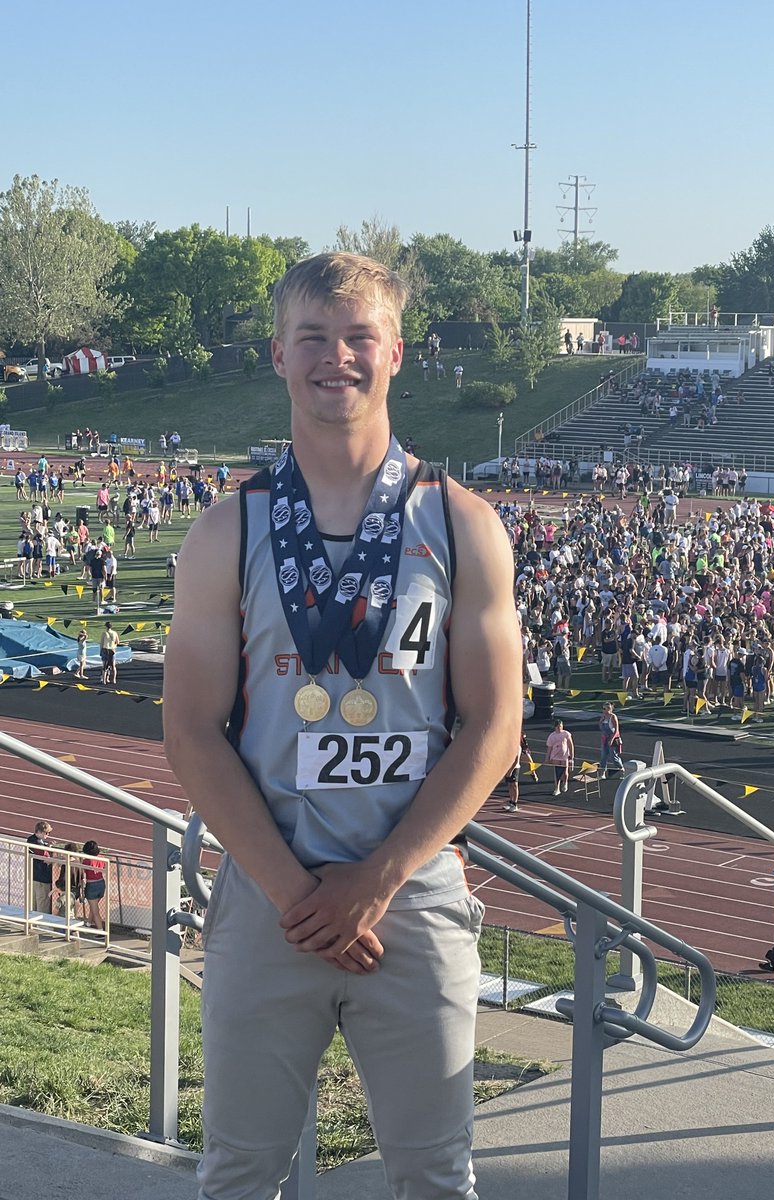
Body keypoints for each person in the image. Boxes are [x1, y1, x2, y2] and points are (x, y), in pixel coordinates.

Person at [163, 252, 521, 1200]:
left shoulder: (462, 524)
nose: (337, 358)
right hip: (266, 896)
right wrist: (297, 893)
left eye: (359, 337)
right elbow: (191, 731)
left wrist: (378, 878)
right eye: (313, 338)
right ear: (278, 354)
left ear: (396, 351)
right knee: (239, 1173)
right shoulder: (225, 532)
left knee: (437, 1177)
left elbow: (495, 726)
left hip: (414, 896)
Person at [26, 820, 54, 914]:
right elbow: (47, 860)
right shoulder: (39, 845)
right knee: (42, 905)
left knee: (33, 904)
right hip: (42, 878)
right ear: (40, 832)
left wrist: (47, 846)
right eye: (47, 833)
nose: (48, 835)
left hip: (33, 876)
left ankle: (31, 924)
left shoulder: (30, 839)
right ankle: (42, 925)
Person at [80, 840, 106, 929]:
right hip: (101, 883)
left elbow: (82, 872)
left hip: (91, 886)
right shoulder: (102, 857)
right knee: (93, 906)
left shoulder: (86, 861)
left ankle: (101, 931)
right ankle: (88, 923)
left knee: (95, 911)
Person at [545, 718, 574, 796]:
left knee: (565, 772)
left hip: (564, 756)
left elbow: (570, 745)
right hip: (555, 756)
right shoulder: (552, 736)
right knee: (557, 773)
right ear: (555, 727)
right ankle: (556, 788)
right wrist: (547, 758)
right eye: (558, 727)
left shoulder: (566, 734)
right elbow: (549, 748)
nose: (560, 728)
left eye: (561, 726)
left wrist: (572, 756)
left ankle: (565, 782)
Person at [503, 731, 531, 812]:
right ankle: (511, 801)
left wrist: (510, 771)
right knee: (509, 785)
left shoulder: (517, 748)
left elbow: (516, 760)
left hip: (515, 768)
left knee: (514, 785)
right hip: (507, 767)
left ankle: (515, 804)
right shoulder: (508, 746)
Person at [598, 702, 624, 779]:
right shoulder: (603, 716)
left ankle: (621, 770)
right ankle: (602, 773)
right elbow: (600, 727)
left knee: (613, 756)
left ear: (611, 709)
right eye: (604, 709)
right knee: (603, 756)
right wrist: (601, 721)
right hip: (605, 739)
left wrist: (611, 740)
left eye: (608, 708)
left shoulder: (613, 717)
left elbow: (616, 731)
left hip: (613, 738)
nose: (606, 710)